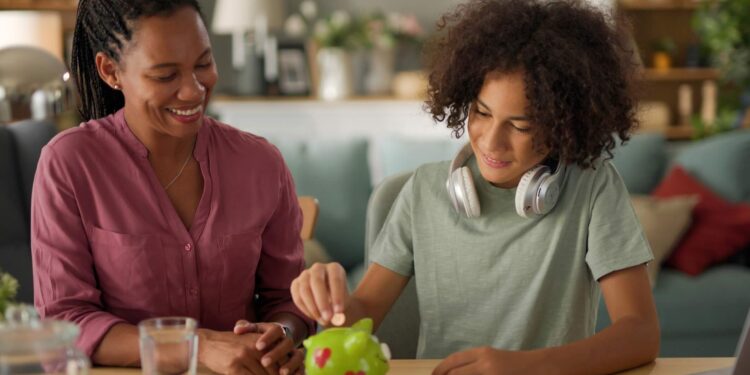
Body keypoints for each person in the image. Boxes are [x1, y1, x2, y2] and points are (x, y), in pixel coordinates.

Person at [291, 0, 660, 374]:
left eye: (520, 126)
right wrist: (330, 304)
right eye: (481, 113)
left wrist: (524, 368)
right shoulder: (423, 191)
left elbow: (640, 334)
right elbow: (362, 314)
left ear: (565, 125)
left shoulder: (593, 187)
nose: (492, 142)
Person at [31, 1, 312, 374]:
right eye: (165, 76)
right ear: (110, 70)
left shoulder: (261, 163)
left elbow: (289, 302)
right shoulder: (70, 164)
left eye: (203, 64)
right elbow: (64, 322)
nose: (193, 91)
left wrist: (279, 334)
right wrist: (195, 347)